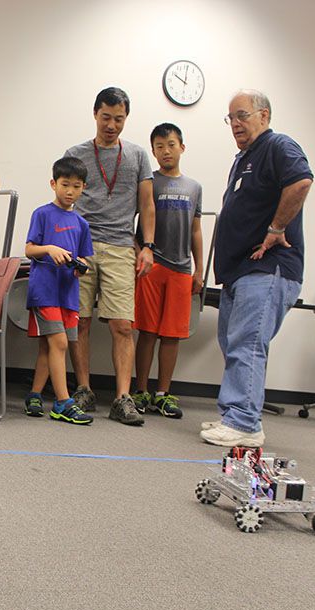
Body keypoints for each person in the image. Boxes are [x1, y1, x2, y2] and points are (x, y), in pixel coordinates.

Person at [201, 90, 313, 447]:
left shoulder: (279, 145)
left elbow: (301, 181)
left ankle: (245, 423)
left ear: (264, 116)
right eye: (230, 118)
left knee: (247, 344)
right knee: (233, 343)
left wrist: (276, 229)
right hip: (240, 270)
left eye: (242, 115)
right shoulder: (244, 158)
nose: (235, 123)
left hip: (268, 267)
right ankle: (235, 415)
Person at [64, 87, 155, 426]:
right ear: (95, 115)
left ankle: (122, 397)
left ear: (125, 119)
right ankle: (84, 388)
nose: (112, 125)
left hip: (120, 246)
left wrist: (148, 246)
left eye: (119, 119)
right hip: (82, 246)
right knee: (80, 320)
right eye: (106, 118)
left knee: (122, 325)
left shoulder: (137, 155)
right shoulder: (76, 153)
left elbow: (147, 204)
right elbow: (64, 200)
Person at [130, 123, 203, 419]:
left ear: (182, 147)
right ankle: (142, 391)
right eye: (159, 146)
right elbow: (130, 221)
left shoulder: (194, 187)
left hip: (181, 270)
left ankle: (163, 393)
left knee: (171, 335)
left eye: (171, 144)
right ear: (153, 151)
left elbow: (196, 230)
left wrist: (199, 270)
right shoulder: (148, 182)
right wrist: (139, 254)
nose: (165, 151)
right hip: (151, 268)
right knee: (147, 332)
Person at [24, 157, 94, 424]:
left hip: (68, 295)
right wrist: (49, 249)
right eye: (65, 184)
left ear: (83, 188)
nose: (70, 191)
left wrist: (81, 267)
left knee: (49, 346)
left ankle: (34, 394)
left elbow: (85, 258)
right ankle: (63, 403)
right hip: (44, 291)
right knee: (60, 343)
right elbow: (29, 249)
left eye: (76, 186)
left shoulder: (81, 224)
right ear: (54, 183)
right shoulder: (42, 214)